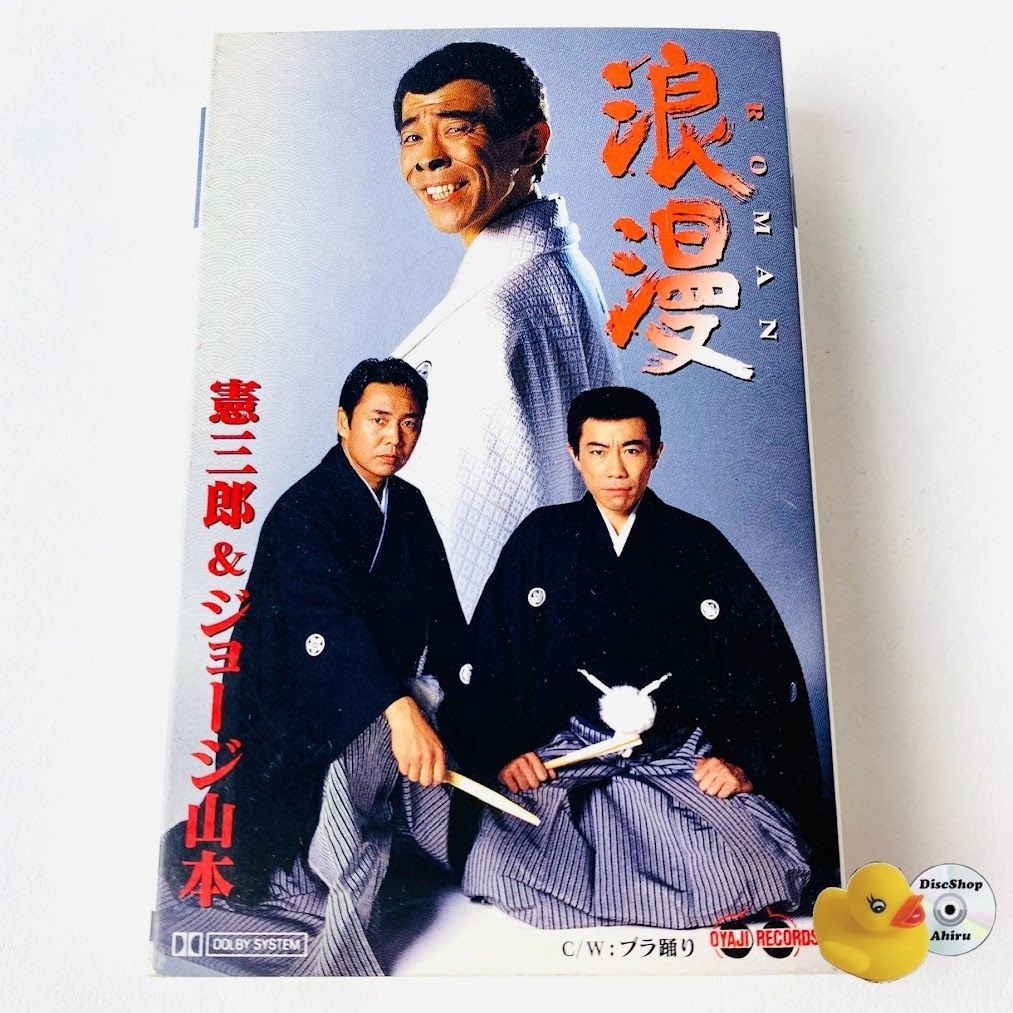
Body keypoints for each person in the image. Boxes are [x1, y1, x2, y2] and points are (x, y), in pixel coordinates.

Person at [447, 386, 822, 930]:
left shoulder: (697, 543)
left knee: (765, 867)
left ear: (657, 454)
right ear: (575, 455)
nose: (616, 469)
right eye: (598, 451)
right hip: (568, 752)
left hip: (674, 755)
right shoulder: (541, 539)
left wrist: (742, 762)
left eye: (632, 449)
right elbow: (490, 652)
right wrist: (505, 749)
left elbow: (761, 663)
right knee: (497, 863)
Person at [154, 358, 465, 976]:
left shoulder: (407, 503)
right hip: (291, 706)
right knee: (277, 866)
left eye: (409, 423)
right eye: (378, 419)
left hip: (365, 693)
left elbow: (445, 616)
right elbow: (326, 626)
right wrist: (399, 710)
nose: (394, 437)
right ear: (343, 421)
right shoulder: (305, 508)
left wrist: (464, 689)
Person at [391, 41, 622, 618]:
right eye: (412, 137)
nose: (428, 158)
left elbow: (493, 535)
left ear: (532, 143)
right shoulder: (554, 269)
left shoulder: (502, 313)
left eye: (457, 129)